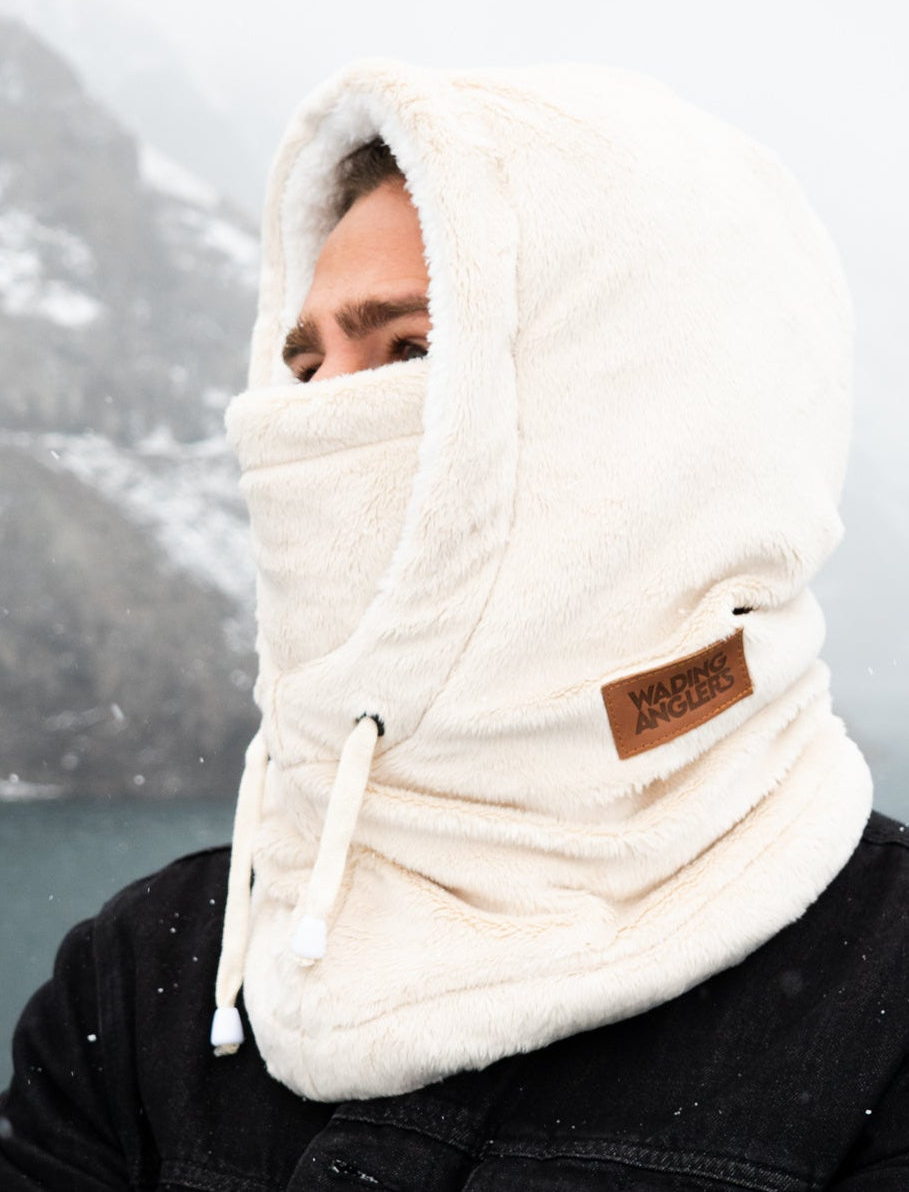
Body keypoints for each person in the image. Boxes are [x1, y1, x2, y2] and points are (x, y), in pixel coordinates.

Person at [1, 57, 907, 1189]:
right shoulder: (146, 979)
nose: (317, 422)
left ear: (639, 413)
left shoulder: (881, 996)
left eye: (412, 350)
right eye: (304, 365)